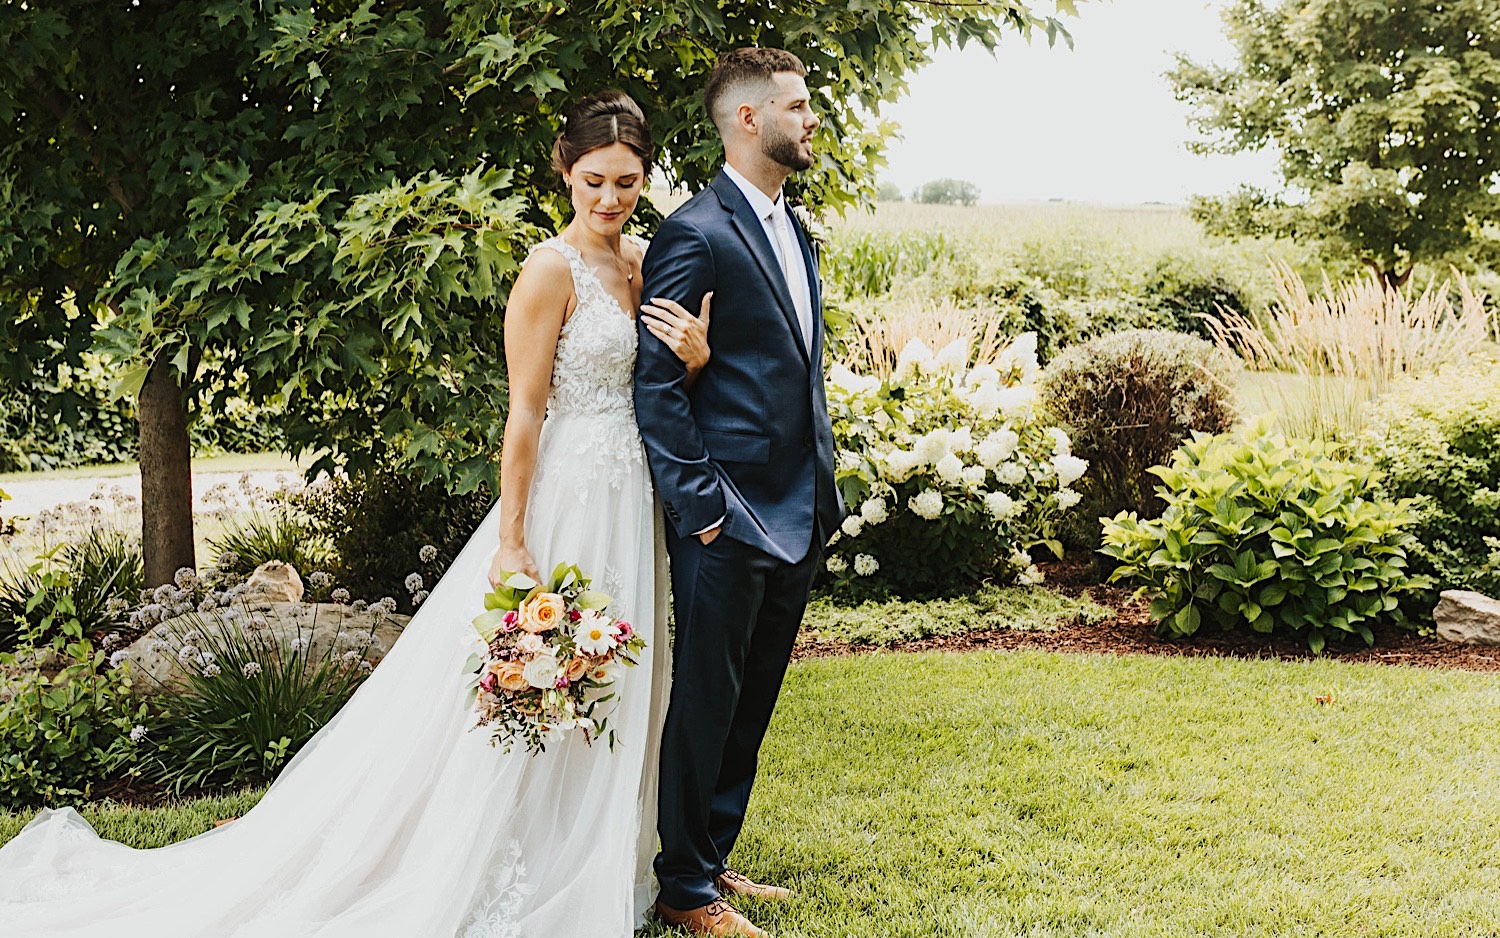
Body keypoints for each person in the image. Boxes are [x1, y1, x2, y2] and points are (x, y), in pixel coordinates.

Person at [0, 90, 709, 938]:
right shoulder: (547, 269)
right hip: (568, 497)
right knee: (532, 686)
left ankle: (595, 850)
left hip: (634, 498)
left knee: (614, 678)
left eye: (627, 182)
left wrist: (694, 362)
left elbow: (656, 396)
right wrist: (513, 537)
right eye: (593, 180)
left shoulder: (645, 262)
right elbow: (525, 415)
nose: (609, 199)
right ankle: (503, 853)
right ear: (564, 169)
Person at [634, 48, 843, 938]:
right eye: (797, 107)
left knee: (752, 697)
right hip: (729, 513)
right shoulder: (696, 231)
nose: (811, 120)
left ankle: (710, 859)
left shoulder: (793, 227)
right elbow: (655, 383)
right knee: (709, 697)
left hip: (798, 506)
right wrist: (705, 510)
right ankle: (682, 887)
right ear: (749, 119)